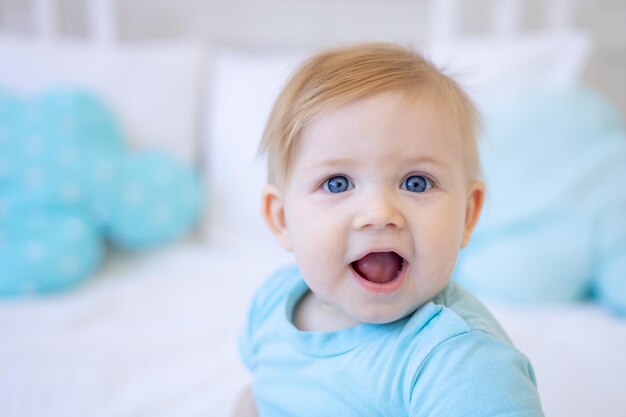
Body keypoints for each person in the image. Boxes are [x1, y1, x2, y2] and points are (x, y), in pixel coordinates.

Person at [233, 42, 544, 416]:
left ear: (467, 214)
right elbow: (261, 395)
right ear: (282, 220)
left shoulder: (460, 365)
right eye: (337, 183)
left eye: (416, 183)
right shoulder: (272, 303)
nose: (379, 213)